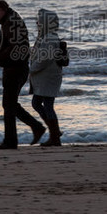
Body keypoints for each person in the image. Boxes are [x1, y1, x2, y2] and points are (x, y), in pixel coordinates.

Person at [0, 0, 46, 149]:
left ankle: (11, 140)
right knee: (9, 104)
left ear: (0, 9)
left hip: (15, 68)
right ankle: (34, 127)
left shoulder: (12, 22)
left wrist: (2, 58)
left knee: (8, 105)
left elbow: (19, 46)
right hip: (15, 67)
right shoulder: (10, 20)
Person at [29, 9, 64, 146]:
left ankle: (55, 136)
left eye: (39, 21)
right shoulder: (45, 36)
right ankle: (55, 133)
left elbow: (44, 59)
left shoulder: (49, 38)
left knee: (47, 105)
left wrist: (31, 69)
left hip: (48, 77)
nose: (37, 23)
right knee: (37, 103)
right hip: (44, 77)